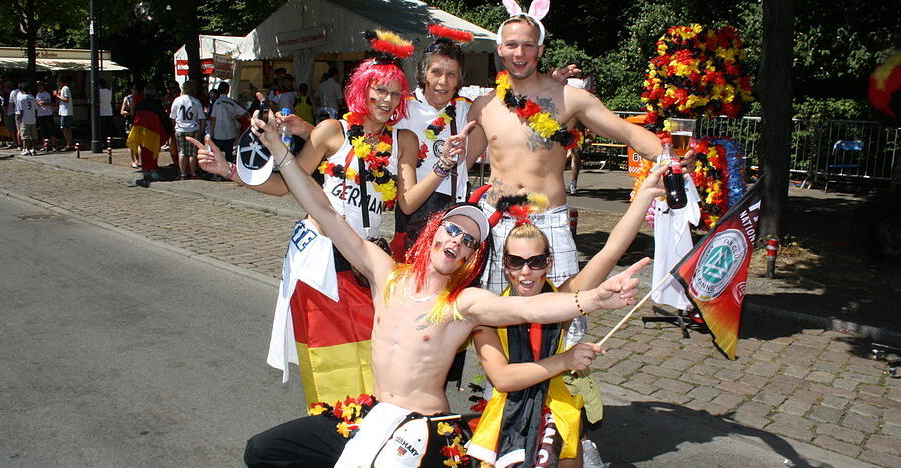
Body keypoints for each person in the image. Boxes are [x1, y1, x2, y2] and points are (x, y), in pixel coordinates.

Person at [226, 107, 648, 468]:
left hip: (421, 432)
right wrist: (280, 152)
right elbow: (325, 211)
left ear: (470, 258)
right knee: (263, 451)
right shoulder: (384, 272)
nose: (459, 241)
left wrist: (591, 299)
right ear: (435, 233)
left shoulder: (463, 303)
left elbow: (528, 310)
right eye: (453, 231)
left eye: (469, 242)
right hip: (369, 417)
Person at [188, 44, 458, 409]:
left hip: (368, 260)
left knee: (373, 349)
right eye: (380, 90)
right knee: (329, 357)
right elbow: (287, 182)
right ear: (362, 90)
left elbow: (408, 202)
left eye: (395, 93)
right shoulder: (332, 131)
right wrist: (229, 171)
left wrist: (443, 165)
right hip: (321, 257)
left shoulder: (404, 140)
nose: (388, 100)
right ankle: (333, 427)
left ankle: (370, 425)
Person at [459, 166, 667, 468]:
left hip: (555, 390)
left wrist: (646, 196)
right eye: (516, 262)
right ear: (504, 265)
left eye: (537, 262)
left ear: (548, 264)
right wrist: (566, 360)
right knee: (504, 464)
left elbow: (609, 251)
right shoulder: (486, 314)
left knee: (567, 461)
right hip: (512, 395)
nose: (527, 272)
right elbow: (503, 379)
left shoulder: (564, 296)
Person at [466, 3, 667, 295]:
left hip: (549, 220)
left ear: (541, 49)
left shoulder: (570, 99)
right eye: (511, 45)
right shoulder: (484, 106)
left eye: (527, 45)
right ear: (500, 49)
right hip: (497, 222)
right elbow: (459, 163)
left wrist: (668, 156)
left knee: (563, 311)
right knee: (493, 315)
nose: (519, 53)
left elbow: (626, 132)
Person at [391, 27, 474, 259]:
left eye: (451, 75)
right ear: (424, 73)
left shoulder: (465, 108)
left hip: (451, 210)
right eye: (436, 72)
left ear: (459, 80)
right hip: (412, 211)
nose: (442, 81)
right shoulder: (401, 109)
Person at [127, 84, 171, 188]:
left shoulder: (140, 104)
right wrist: (169, 130)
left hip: (142, 132)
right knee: (154, 151)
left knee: (144, 151)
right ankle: (153, 170)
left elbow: (134, 116)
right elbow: (163, 118)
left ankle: (146, 170)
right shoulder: (157, 104)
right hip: (154, 132)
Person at [168, 80, 205, 180]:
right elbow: (202, 118)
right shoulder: (196, 102)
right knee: (193, 153)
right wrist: (201, 131)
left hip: (180, 128)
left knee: (182, 152)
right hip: (193, 128)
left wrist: (173, 129)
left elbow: (172, 117)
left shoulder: (177, 100)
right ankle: (193, 173)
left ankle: (183, 174)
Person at [208, 81, 247, 166]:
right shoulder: (231, 102)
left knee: (218, 153)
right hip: (230, 131)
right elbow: (243, 111)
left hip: (218, 132)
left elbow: (213, 118)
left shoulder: (216, 102)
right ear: (227, 91)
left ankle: (219, 171)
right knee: (229, 153)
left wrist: (212, 132)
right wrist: (234, 117)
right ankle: (229, 171)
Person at [120, 84, 143, 168]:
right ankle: (133, 160)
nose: (135, 91)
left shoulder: (142, 98)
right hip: (130, 121)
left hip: (139, 121)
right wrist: (129, 113)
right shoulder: (127, 99)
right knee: (131, 141)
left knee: (139, 142)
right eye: (134, 89)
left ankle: (139, 160)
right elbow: (122, 111)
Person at [15, 82, 38, 156]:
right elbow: (35, 109)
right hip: (32, 119)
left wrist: (20, 119)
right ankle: (33, 149)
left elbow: (21, 110)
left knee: (25, 136)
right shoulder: (32, 97)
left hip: (25, 119)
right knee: (33, 136)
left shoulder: (21, 98)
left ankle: (27, 149)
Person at [54, 75, 73, 151]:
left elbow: (66, 99)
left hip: (66, 112)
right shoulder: (63, 89)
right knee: (66, 128)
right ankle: (69, 144)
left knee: (64, 128)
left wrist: (57, 95)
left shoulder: (65, 88)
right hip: (64, 111)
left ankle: (68, 144)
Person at [35, 81, 56, 151]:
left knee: (51, 130)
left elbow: (54, 103)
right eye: (38, 86)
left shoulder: (48, 94)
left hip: (48, 114)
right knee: (43, 131)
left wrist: (46, 103)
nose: (39, 87)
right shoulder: (36, 95)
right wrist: (37, 103)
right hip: (40, 115)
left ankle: (53, 145)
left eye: (41, 86)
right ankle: (45, 145)